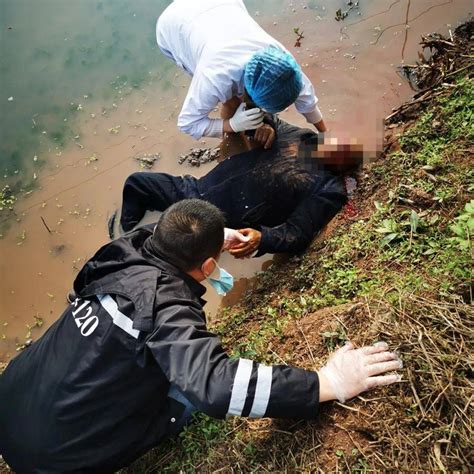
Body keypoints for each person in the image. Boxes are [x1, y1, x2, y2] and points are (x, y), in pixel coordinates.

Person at [0, 199, 402, 472]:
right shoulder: (166, 309)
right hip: (47, 460)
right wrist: (327, 382)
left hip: (11, 397)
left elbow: (164, 232)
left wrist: (212, 233)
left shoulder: (119, 253)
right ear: (209, 265)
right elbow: (217, 388)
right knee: (186, 396)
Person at [116, 118, 354, 257]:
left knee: (155, 241)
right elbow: (272, 118)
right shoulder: (303, 137)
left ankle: (127, 245)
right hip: (195, 188)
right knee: (137, 183)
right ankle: (122, 232)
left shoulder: (327, 189)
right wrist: (266, 124)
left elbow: (297, 233)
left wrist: (262, 238)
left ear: (345, 165)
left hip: (214, 220)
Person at [156, 0, 327, 149]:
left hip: (223, 5)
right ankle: (239, 126)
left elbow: (308, 102)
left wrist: (324, 133)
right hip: (174, 26)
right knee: (229, 101)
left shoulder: (284, 66)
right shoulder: (213, 77)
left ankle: (248, 123)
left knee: (241, 100)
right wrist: (231, 125)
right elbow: (188, 123)